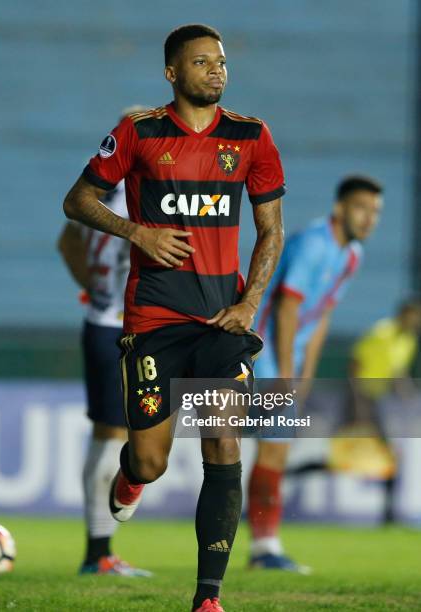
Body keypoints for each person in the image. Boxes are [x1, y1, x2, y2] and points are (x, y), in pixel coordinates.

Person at [63, 23, 285, 612]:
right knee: (152, 460)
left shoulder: (252, 136)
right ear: (172, 72)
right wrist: (137, 231)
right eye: (201, 62)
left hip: (221, 325)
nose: (216, 70)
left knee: (223, 441)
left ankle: (208, 596)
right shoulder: (138, 134)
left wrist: (248, 304)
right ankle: (132, 474)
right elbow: (77, 200)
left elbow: (270, 231)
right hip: (154, 322)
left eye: (221, 61)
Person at [247, 175, 383, 571]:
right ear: (341, 208)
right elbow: (287, 309)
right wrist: (287, 372)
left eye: (375, 212)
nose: (369, 218)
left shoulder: (351, 254)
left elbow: (322, 313)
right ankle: (264, 548)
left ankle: (264, 546)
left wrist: (307, 370)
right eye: (362, 208)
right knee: (270, 448)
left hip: (286, 358)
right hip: (265, 353)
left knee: (271, 449)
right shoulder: (313, 244)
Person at [58, 106, 152, 576]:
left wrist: (89, 287)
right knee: (116, 435)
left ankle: (98, 551)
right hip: (121, 328)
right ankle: (98, 553)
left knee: (110, 435)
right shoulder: (135, 200)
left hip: (102, 319)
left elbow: (65, 241)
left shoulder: (97, 194)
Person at [348, 298, 421, 523]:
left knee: (388, 453)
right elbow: (355, 365)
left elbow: (398, 373)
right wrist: (358, 402)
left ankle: (388, 513)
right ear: (404, 314)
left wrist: (410, 395)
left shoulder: (408, 340)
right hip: (360, 398)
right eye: (415, 315)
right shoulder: (381, 333)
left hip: (378, 400)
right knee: (344, 455)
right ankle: (388, 514)